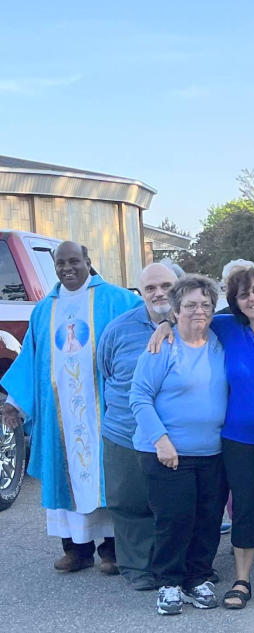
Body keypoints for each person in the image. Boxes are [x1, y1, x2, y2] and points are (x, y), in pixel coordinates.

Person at [153, 267, 254, 608]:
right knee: (246, 509)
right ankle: (242, 581)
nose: (253, 298)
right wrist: (164, 324)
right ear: (236, 304)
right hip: (239, 440)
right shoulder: (228, 328)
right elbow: (189, 318)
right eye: (244, 295)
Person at [1, 241, 140, 573]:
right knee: (66, 476)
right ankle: (77, 550)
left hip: (103, 410)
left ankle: (112, 551)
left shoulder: (118, 300)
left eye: (74, 261)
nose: (67, 268)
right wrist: (13, 404)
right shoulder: (44, 310)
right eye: (60, 263)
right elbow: (29, 361)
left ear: (88, 262)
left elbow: (144, 331)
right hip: (58, 411)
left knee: (108, 477)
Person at [130, 275, 228, 615]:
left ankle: (198, 578)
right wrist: (161, 440)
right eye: (189, 305)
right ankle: (169, 583)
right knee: (174, 519)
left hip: (212, 451)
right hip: (168, 452)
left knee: (208, 518)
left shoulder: (218, 340)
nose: (198, 311)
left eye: (205, 304)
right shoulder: (162, 346)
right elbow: (139, 396)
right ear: (175, 310)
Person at [97, 262, 181, 590]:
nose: (159, 293)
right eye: (150, 288)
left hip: (178, 435)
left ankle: (180, 564)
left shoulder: (197, 323)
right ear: (140, 292)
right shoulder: (118, 329)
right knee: (130, 502)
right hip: (124, 431)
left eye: (166, 286)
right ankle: (137, 568)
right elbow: (105, 371)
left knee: (179, 505)